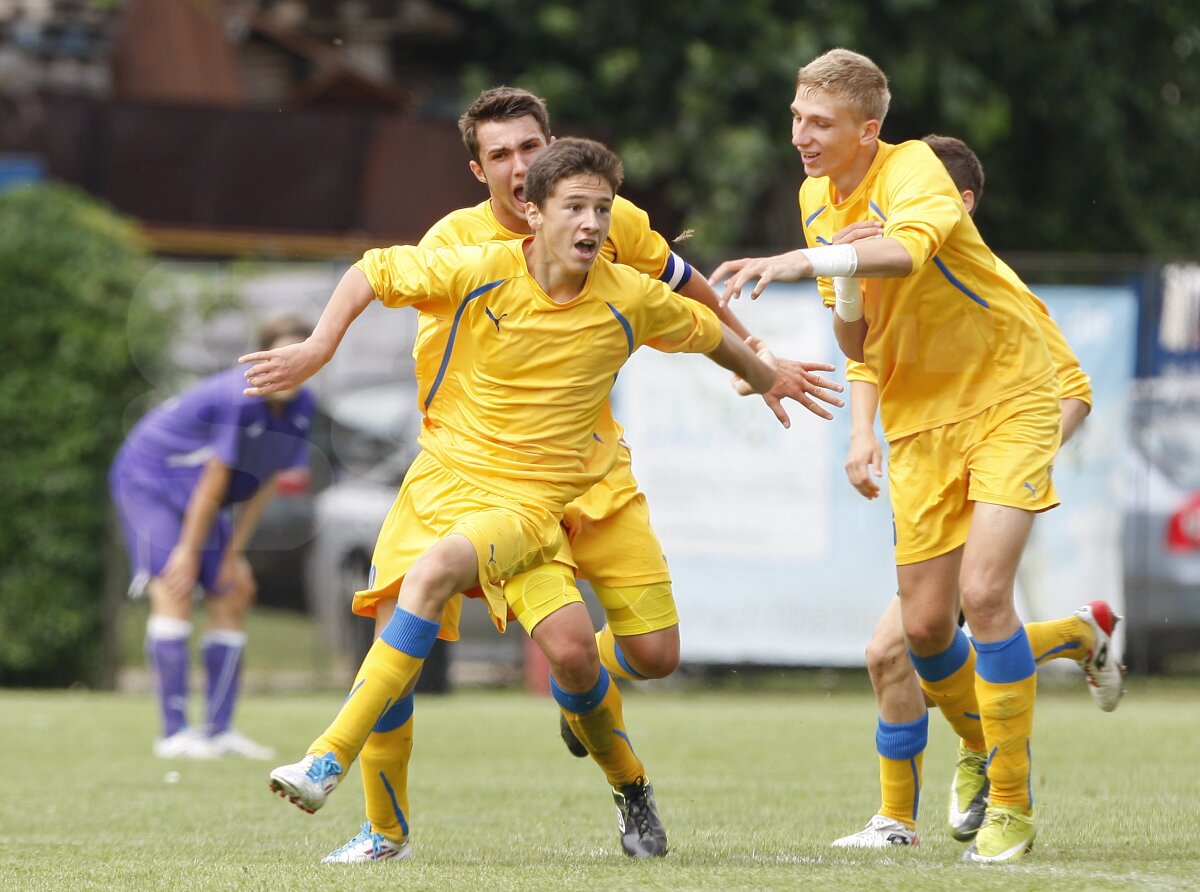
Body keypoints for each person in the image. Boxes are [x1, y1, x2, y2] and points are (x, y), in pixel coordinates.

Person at [319, 86, 846, 866]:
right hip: (477, 479)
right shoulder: (460, 250)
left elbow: (683, 289)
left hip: (591, 474)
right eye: (500, 155)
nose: (520, 165)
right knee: (407, 616)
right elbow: (393, 296)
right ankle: (382, 829)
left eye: (531, 147)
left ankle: (585, 696)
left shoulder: (602, 217)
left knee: (649, 656)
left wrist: (757, 356)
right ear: (479, 170)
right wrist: (324, 351)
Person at [711, 48, 1083, 863]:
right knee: (918, 631)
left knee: (984, 594)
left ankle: (1012, 806)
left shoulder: (915, 168)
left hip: (1010, 396)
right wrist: (838, 279)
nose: (802, 136)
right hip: (920, 425)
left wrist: (807, 259)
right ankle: (982, 748)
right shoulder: (816, 198)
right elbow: (859, 337)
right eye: (797, 118)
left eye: (821, 123)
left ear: (867, 130)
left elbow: (909, 251)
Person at [827, 134, 1122, 850]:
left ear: (953, 206)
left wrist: (1005, 474)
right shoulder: (894, 281)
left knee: (951, 624)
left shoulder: (993, 291)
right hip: (929, 472)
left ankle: (972, 771)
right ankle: (1081, 637)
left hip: (995, 476)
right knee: (897, 649)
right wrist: (861, 434)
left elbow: (1073, 391)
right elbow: (867, 359)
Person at [109, 314, 317, 760]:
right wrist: (186, 552)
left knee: (233, 590)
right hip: (151, 480)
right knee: (174, 586)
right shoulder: (238, 399)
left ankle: (219, 731)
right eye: (276, 356)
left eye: (296, 357)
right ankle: (174, 735)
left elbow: (265, 481)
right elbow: (214, 478)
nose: (286, 366)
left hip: (203, 494)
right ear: (260, 359)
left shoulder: (303, 406)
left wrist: (234, 555)